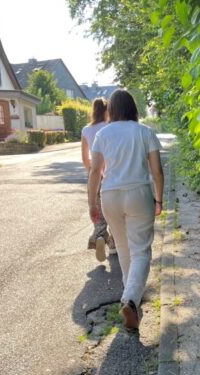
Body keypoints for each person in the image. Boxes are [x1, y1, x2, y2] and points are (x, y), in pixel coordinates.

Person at [88, 89, 164, 330]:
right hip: (139, 193)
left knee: (122, 248)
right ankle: (130, 300)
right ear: (133, 108)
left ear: (112, 110)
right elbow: (157, 171)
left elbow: (94, 171)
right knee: (141, 250)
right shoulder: (145, 132)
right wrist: (159, 199)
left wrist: (92, 203)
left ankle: (131, 303)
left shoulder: (102, 134)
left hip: (110, 194)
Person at [81, 97, 115, 261]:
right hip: (110, 172)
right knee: (113, 209)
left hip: (94, 174)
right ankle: (114, 244)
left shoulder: (86, 130)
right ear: (106, 110)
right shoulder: (110, 128)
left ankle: (100, 235)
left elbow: (84, 159)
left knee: (97, 210)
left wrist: (91, 172)